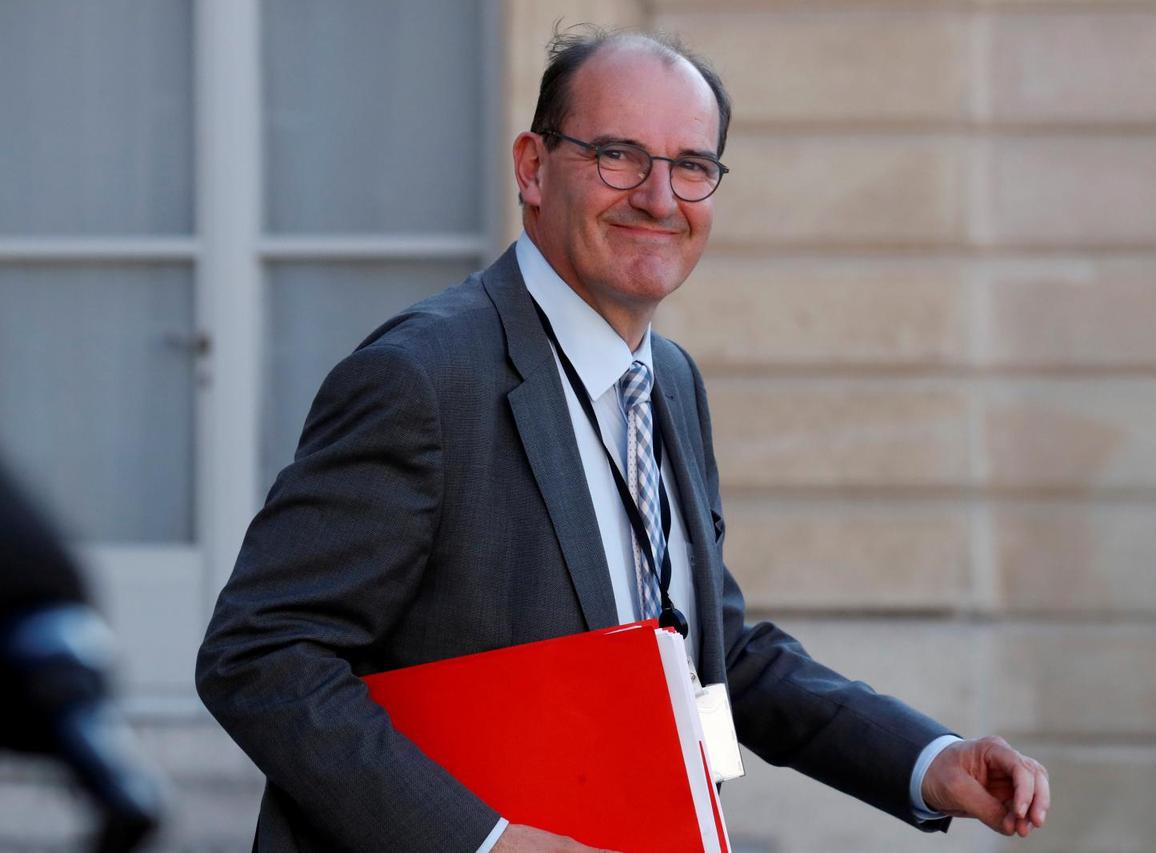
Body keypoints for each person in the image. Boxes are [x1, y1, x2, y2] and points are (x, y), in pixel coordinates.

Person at [197, 26, 1049, 853]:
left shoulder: (668, 378)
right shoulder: (422, 378)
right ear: (533, 168)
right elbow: (260, 652)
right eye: (618, 154)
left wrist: (929, 761)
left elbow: (714, 651)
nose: (658, 197)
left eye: (692, 166)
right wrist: (483, 842)